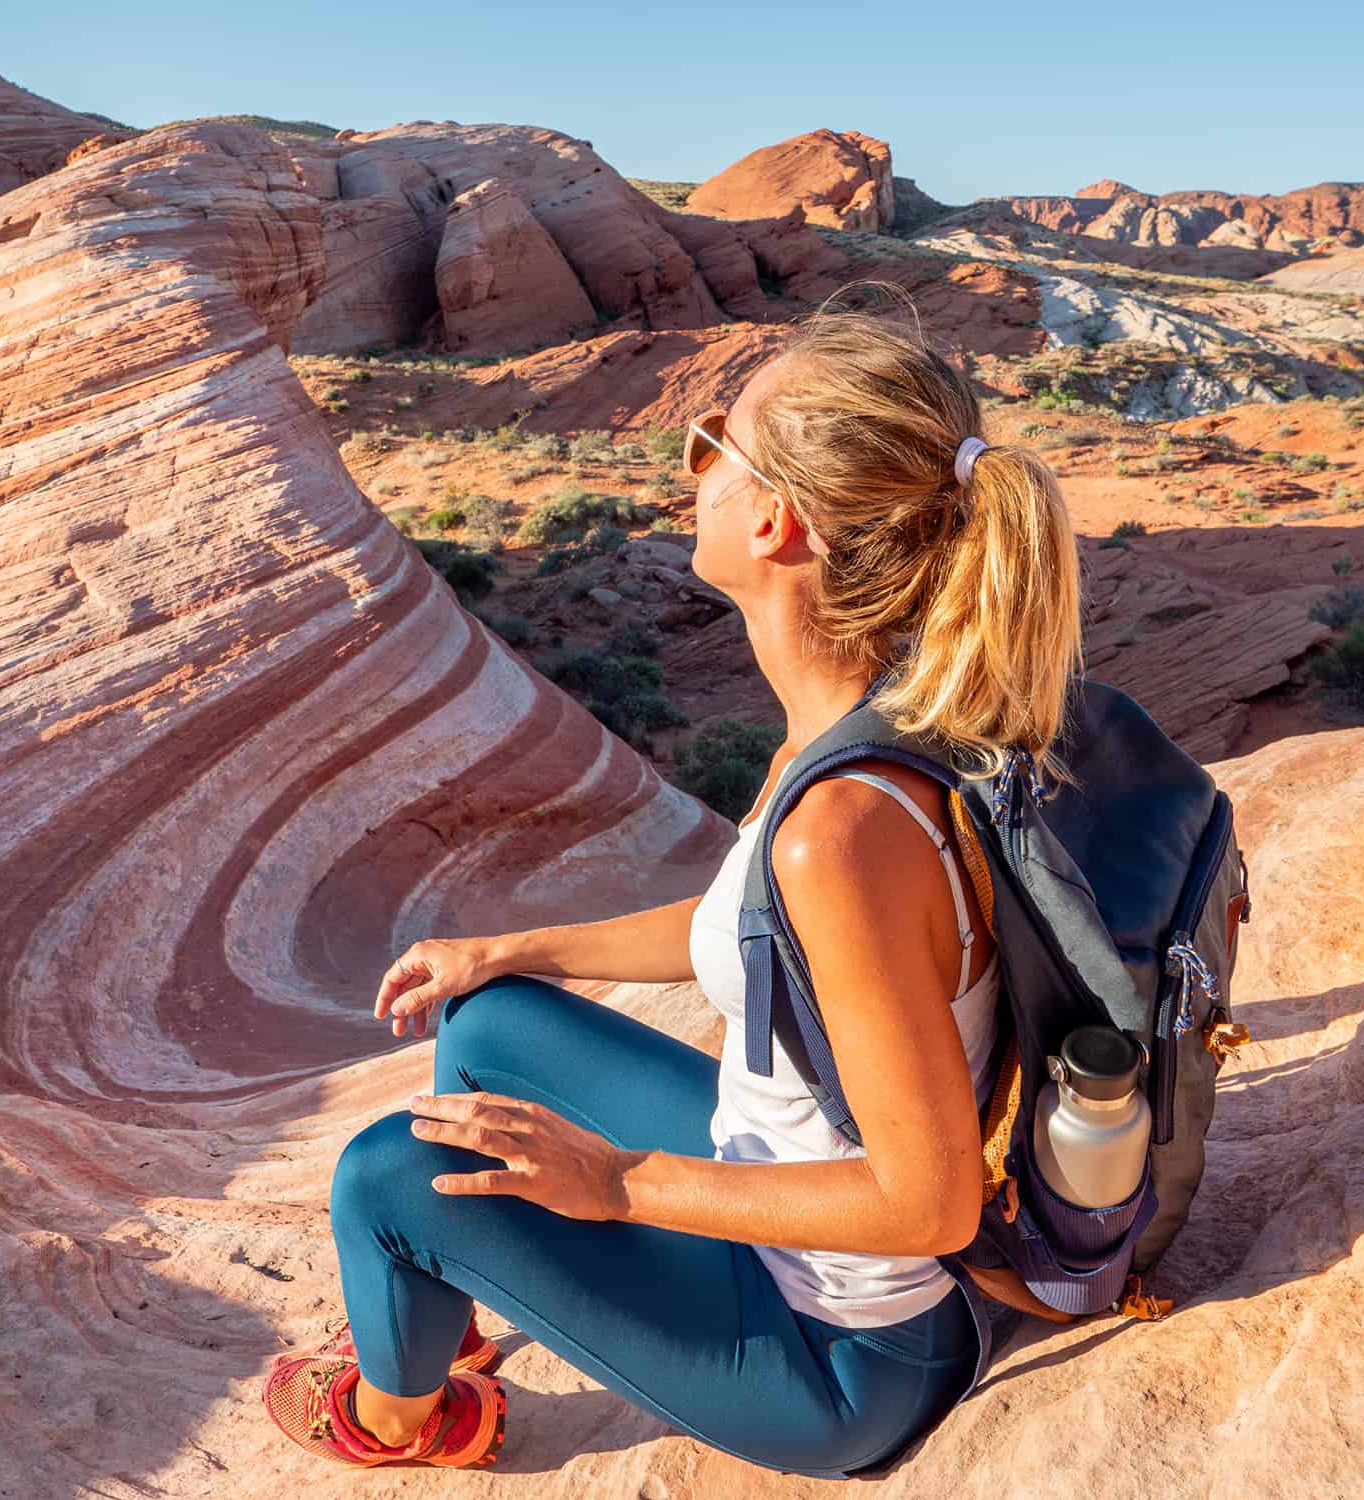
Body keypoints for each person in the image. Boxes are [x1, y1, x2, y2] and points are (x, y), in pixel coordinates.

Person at [262, 302, 1083, 1475]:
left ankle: (403, 1419)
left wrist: (617, 1184)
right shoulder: (862, 726)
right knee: (490, 1020)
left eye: (712, 443)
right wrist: (518, 949)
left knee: (383, 1175)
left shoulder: (843, 829)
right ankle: (460, 1304)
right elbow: (746, 935)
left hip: (846, 1350)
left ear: (773, 520)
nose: (687, 466)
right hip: (776, 1201)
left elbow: (930, 1203)